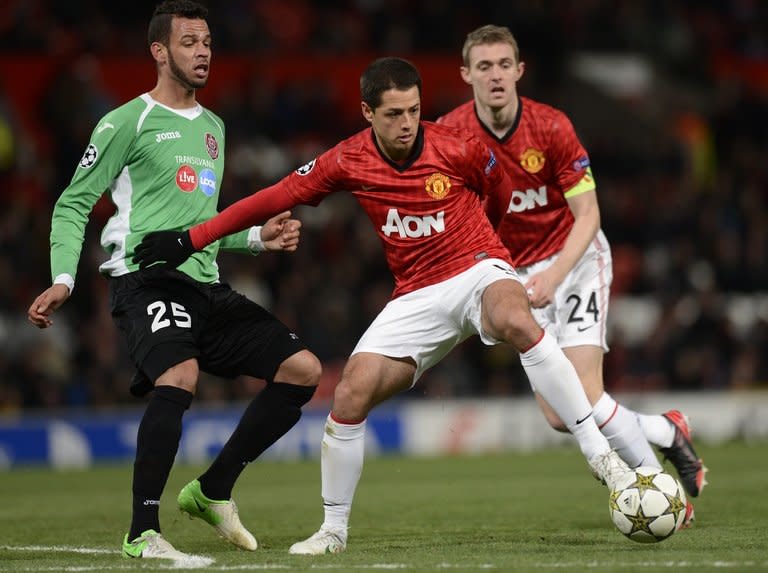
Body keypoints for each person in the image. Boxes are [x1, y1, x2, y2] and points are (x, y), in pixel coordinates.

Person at [134, 56, 635, 556]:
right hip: (416, 293)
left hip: (476, 267)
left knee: (512, 316)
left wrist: (491, 247)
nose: (406, 123)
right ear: (367, 112)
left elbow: (499, 190)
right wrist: (192, 239)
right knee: (350, 394)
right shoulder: (347, 159)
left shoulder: (458, 146)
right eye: (393, 113)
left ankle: (602, 459)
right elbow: (272, 197)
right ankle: (333, 530)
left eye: (414, 110)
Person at [27, 0, 321, 564]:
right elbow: (73, 203)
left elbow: (202, 224)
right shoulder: (125, 121)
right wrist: (62, 277)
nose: (203, 51)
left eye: (207, 40)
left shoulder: (214, 127)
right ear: (160, 52)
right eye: (189, 42)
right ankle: (142, 532)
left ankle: (212, 490)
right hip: (145, 279)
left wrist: (257, 238)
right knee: (179, 374)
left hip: (205, 285)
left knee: (302, 371)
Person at [437, 25, 707, 510]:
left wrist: (555, 276)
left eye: (503, 65)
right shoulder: (450, 135)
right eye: (484, 66)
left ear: (519, 71)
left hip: (574, 260)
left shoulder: (551, 127)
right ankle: (665, 430)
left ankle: (656, 493)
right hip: (514, 278)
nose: (495, 75)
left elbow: (589, 216)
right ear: (466, 74)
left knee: (583, 392)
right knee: (561, 416)